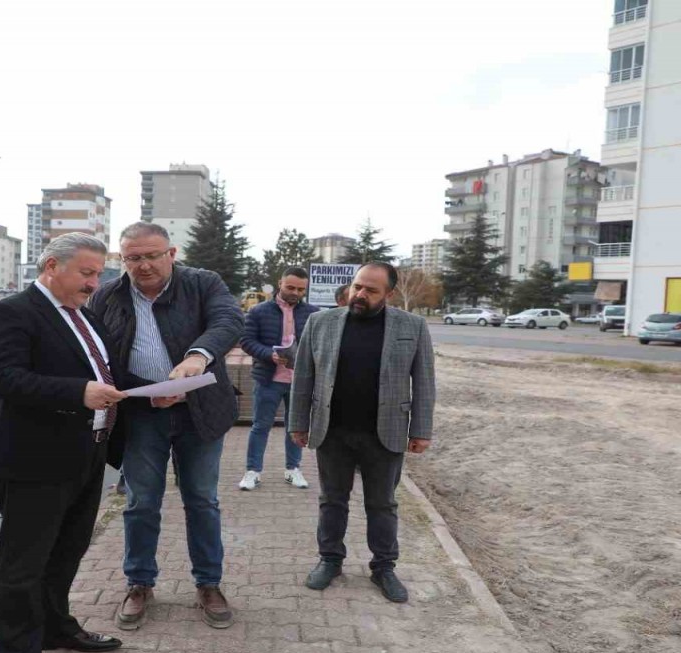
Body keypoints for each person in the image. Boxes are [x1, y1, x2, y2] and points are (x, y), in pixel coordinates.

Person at [0, 233, 129, 653]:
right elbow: (4, 378)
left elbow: (108, 376)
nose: (94, 283)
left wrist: (166, 386)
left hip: (86, 454)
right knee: (22, 565)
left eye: (99, 273)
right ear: (50, 267)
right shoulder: (12, 313)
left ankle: (55, 628)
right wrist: (76, 392)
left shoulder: (86, 318)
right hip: (33, 460)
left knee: (66, 553)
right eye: (86, 272)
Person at [88, 222, 244, 631]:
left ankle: (208, 583)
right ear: (122, 259)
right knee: (141, 502)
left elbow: (229, 321)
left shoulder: (202, 283)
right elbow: (102, 358)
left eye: (152, 255)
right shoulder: (108, 295)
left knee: (202, 500)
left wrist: (198, 355)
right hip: (143, 414)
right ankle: (139, 583)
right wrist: (147, 391)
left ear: (171, 254)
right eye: (133, 258)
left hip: (200, 410)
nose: (143, 265)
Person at [288, 262, 436, 604]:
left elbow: (425, 382)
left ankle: (383, 567)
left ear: (389, 294)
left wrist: (421, 430)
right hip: (333, 431)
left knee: (382, 504)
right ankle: (330, 560)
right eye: (357, 286)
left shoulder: (411, 326)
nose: (360, 294)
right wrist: (298, 423)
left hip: (385, 433)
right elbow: (303, 377)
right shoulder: (320, 323)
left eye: (370, 290)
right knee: (332, 501)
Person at [238, 266, 319, 491]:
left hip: (300, 381)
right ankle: (253, 471)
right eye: (290, 287)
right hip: (268, 379)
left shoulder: (314, 313)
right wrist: (269, 354)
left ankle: (293, 469)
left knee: (296, 427)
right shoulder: (258, 311)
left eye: (301, 289)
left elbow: (320, 344)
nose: (295, 292)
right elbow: (246, 340)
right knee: (260, 426)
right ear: (280, 283)